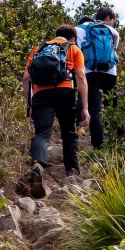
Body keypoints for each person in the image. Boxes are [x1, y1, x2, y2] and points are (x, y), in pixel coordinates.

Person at [23, 24, 89, 198]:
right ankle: (72, 172)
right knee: (68, 133)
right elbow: (81, 76)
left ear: (56, 35)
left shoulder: (39, 48)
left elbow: (26, 78)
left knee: (42, 134)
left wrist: (29, 105)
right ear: (73, 38)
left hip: (40, 94)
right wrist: (85, 107)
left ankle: (38, 163)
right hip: (64, 91)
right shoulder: (73, 48)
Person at [76, 6, 120, 149]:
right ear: (108, 18)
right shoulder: (111, 30)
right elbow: (115, 48)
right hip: (110, 72)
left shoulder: (79, 29)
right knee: (112, 105)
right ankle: (114, 138)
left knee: (95, 109)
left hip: (89, 72)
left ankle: (98, 145)